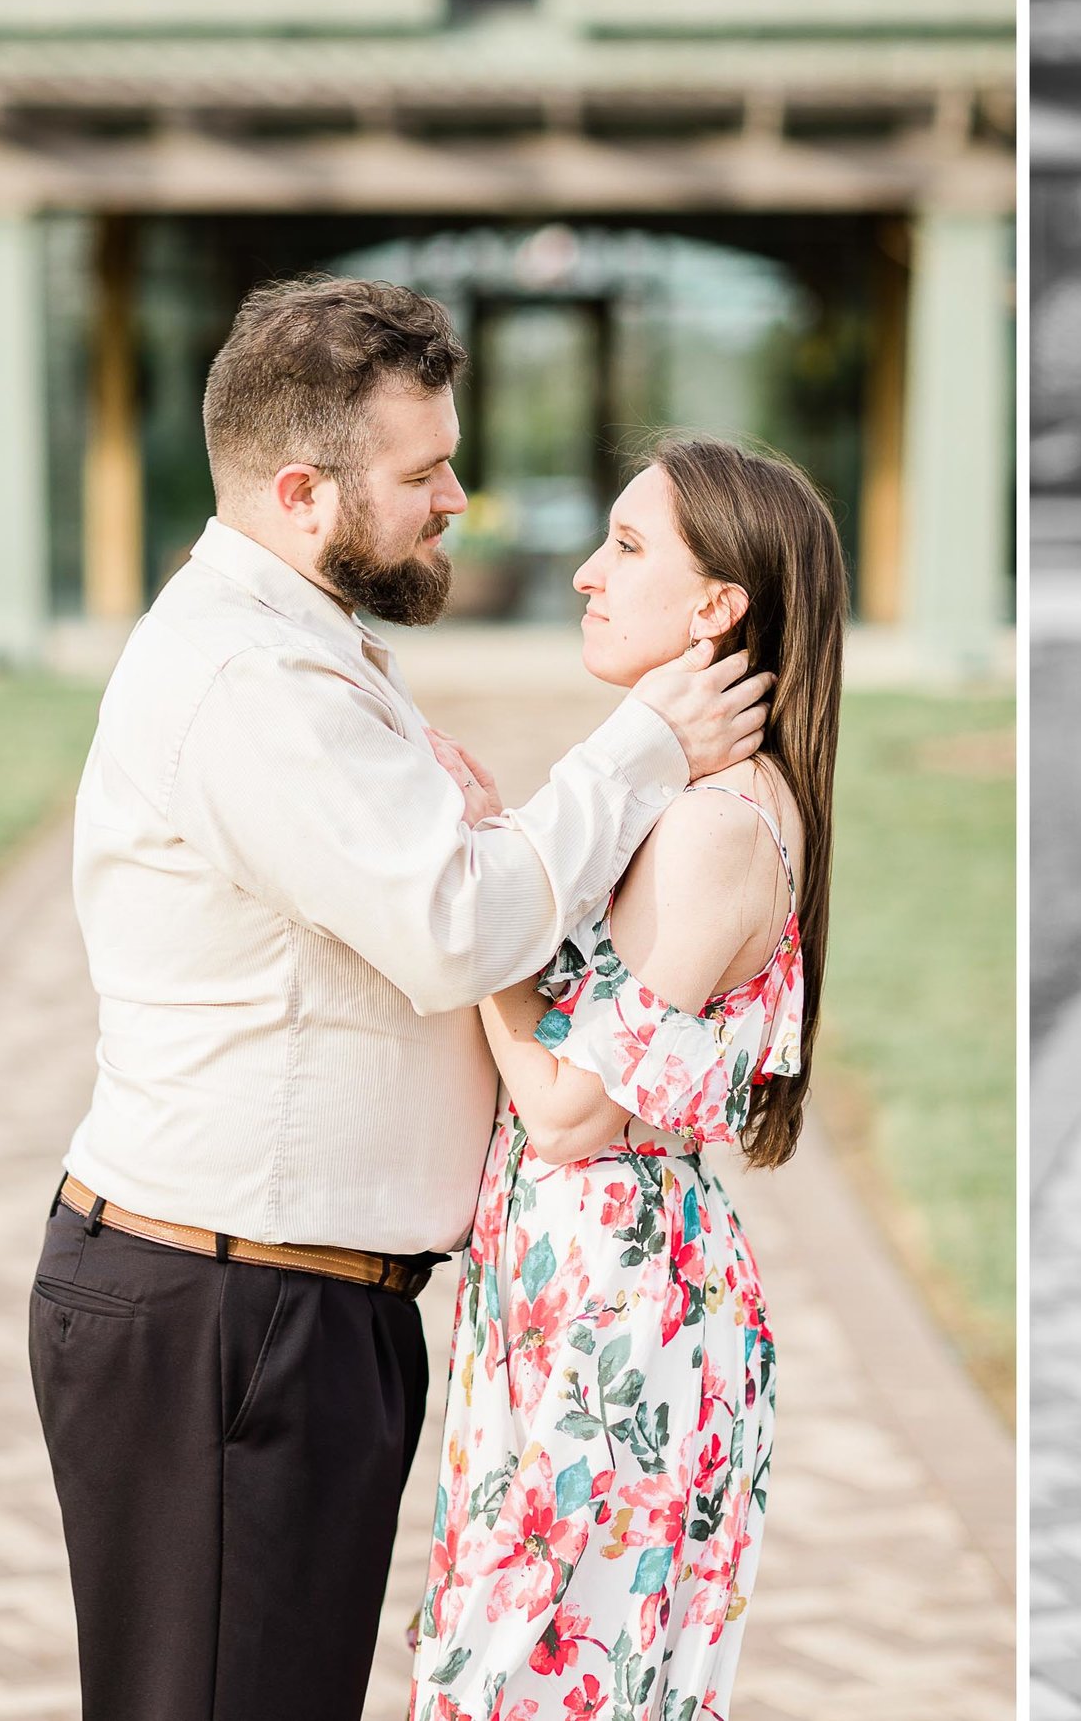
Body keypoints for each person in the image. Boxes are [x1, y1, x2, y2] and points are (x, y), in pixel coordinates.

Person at [30, 278, 771, 1721]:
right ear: (304, 491)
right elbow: (454, 920)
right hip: (231, 1314)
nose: (457, 494)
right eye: (425, 469)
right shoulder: (250, 674)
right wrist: (640, 751)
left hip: (292, 1308)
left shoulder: (305, 640)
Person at [411, 437, 845, 1721]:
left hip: (616, 1306)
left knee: (535, 1683)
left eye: (629, 546)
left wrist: (486, 898)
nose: (590, 574)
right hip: (581, 1290)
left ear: (717, 607)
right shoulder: (690, 796)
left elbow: (567, 1114)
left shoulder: (717, 828)